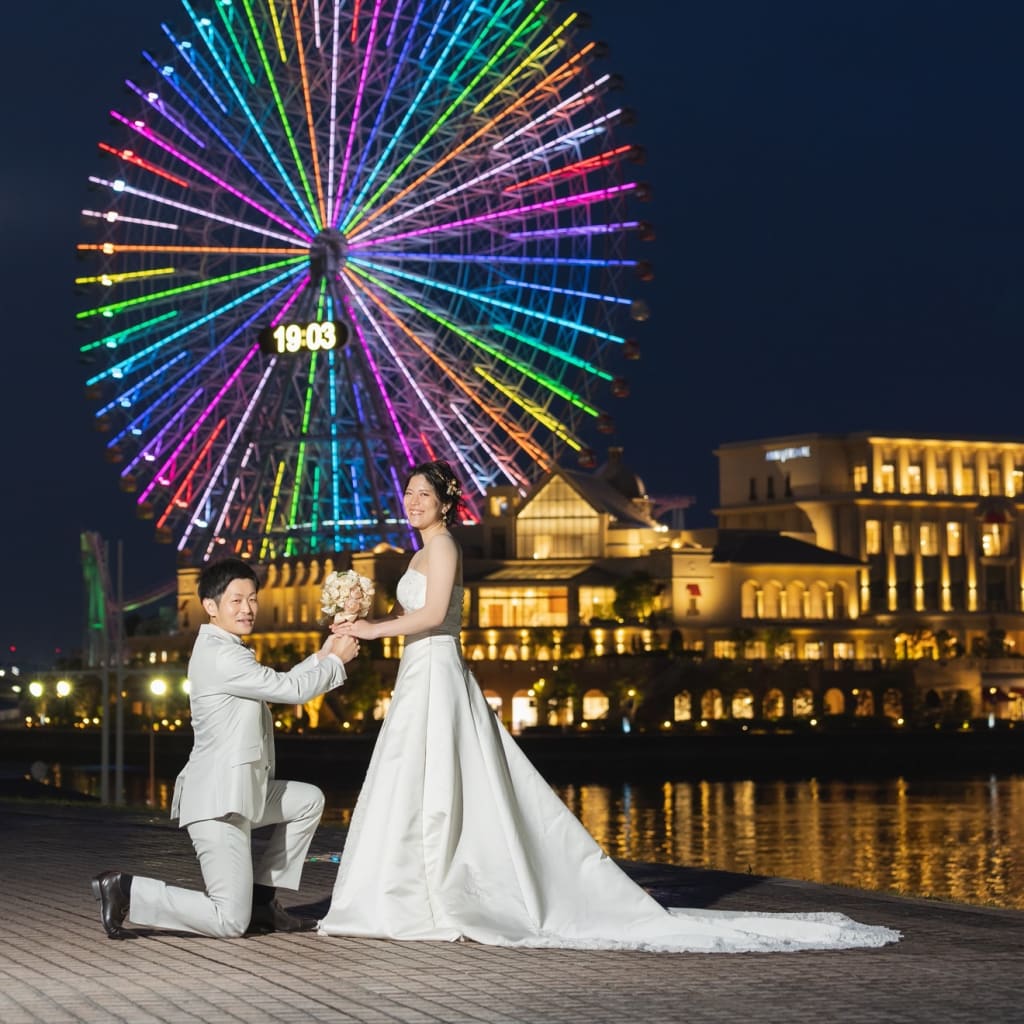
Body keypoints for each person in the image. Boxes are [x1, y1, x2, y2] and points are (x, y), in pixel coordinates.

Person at [318, 461, 900, 952]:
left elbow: (430, 615)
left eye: (425, 494)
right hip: (418, 669)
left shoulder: (443, 548)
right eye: (409, 493)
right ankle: (409, 885)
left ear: (446, 504)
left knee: (441, 771)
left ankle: (433, 886)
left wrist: (369, 628)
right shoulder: (419, 554)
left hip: (437, 665)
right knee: (413, 774)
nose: (413, 501)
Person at [91, 557, 360, 940]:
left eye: (252, 598)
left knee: (308, 800)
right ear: (211, 606)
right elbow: (289, 690)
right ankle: (126, 890)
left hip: (243, 790)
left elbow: (276, 682)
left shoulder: (229, 649)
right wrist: (335, 662)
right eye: (236, 600)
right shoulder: (222, 654)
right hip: (218, 803)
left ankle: (263, 902)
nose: (248, 608)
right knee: (229, 921)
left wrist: (324, 653)